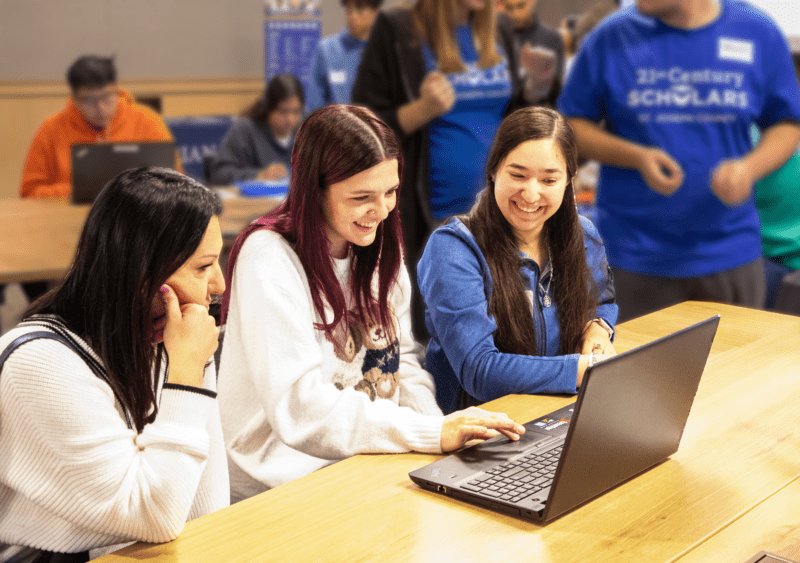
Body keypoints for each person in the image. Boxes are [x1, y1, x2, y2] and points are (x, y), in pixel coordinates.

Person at [216, 104, 526, 502]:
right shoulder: (270, 255)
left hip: (366, 462)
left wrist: (442, 444)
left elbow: (402, 364)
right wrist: (429, 435)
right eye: (361, 196)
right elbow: (301, 409)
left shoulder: (376, 244)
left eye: (391, 192)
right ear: (314, 190)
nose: (380, 211)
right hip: (277, 484)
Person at [0, 168, 229, 563]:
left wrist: (195, 365)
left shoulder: (164, 340)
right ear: (140, 272)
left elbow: (206, 507)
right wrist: (188, 379)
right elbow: (154, 516)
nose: (220, 284)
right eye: (202, 267)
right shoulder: (40, 364)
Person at [558, 0, 800, 322]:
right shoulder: (611, 36)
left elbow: (786, 123)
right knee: (635, 370)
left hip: (731, 251)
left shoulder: (757, 31)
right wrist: (636, 156)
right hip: (632, 255)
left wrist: (749, 168)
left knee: (733, 369)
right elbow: (572, 124)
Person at [351, 0, 533, 339]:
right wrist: (422, 109)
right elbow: (361, 128)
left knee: (503, 341)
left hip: (502, 220)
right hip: (432, 223)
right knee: (439, 346)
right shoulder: (399, 27)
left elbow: (518, 114)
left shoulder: (501, 28)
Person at [417, 107, 617, 414]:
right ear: (494, 170)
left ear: (568, 181)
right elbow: (479, 370)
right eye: (518, 175)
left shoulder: (582, 235)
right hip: (476, 432)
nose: (531, 194)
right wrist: (582, 369)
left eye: (549, 180)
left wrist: (598, 328)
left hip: (554, 414)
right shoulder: (453, 250)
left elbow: (602, 299)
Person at [20, 55, 175, 199]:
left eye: (107, 97)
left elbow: (175, 181)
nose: (101, 108)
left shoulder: (147, 120)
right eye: (89, 100)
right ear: (74, 98)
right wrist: (77, 191)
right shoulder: (51, 130)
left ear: (116, 90)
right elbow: (29, 192)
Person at [207, 73, 304, 185]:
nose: (290, 119)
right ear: (268, 109)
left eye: (296, 112)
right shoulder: (245, 131)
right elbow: (219, 174)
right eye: (283, 111)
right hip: (253, 201)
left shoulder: (306, 132)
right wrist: (258, 175)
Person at [305, 0, 383, 113]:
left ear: (376, 12)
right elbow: (314, 106)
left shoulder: (388, 51)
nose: (352, 16)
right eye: (349, 10)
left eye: (360, 9)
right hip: (336, 128)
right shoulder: (326, 50)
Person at [497, 0, 565, 107]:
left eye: (521, 5)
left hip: (538, 110)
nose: (516, 13)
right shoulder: (498, 39)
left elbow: (557, 87)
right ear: (500, 6)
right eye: (509, 8)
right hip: (504, 112)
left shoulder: (552, 38)